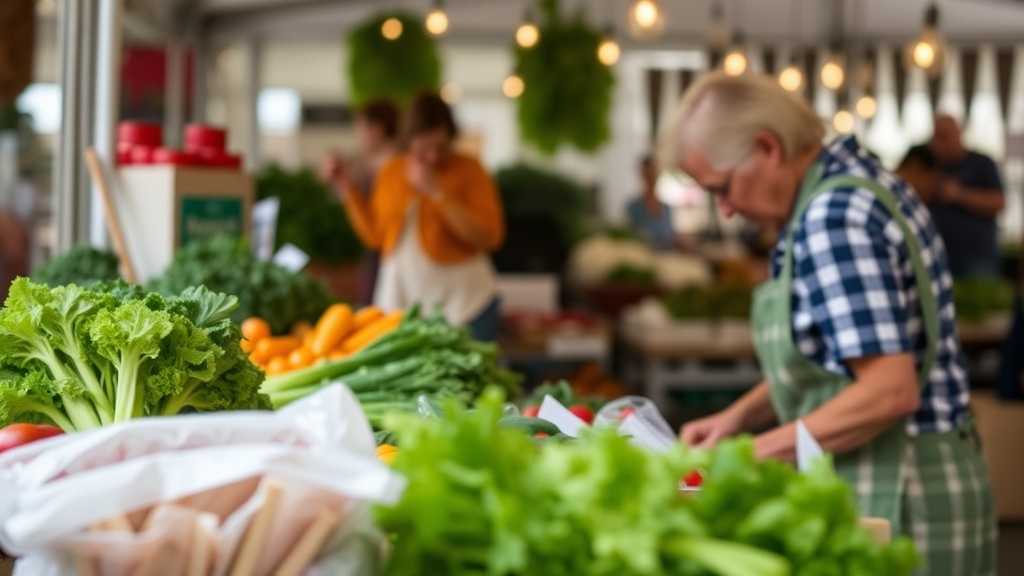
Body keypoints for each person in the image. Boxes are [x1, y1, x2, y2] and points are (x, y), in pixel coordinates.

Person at [667, 72, 995, 575]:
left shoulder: (833, 216)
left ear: (767, 147)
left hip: (908, 494)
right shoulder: (859, 185)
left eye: (724, 188)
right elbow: (836, 356)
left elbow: (889, 390)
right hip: (925, 479)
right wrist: (739, 416)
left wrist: (746, 457)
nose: (727, 210)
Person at [323, 92, 505, 341]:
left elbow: (490, 236)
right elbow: (375, 237)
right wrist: (346, 189)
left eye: (440, 147)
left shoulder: (469, 169)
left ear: (451, 138)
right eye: (423, 148)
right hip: (403, 304)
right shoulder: (391, 172)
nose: (432, 157)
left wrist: (438, 192)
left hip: (467, 305)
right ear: (409, 141)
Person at [922, 114, 1006, 278]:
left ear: (959, 133)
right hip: (938, 256)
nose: (941, 142)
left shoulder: (982, 163)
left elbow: (999, 202)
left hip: (977, 258)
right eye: (937, 137)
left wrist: (961, 195)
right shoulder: (932, 167)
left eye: (945, 136)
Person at [341, 99, 401, 306]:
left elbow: (374, 230)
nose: (359, 135)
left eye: (362, 127)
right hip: (382, 253)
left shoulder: (391, 168)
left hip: (386, 254)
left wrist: (346, 188)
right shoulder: (376, 164)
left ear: (377, 128)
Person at [625, 155, 676, 251]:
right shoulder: (633, 207)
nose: (651, 179)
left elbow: (671, 238)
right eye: (647, 175)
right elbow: (631, 241)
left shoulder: (666, 208)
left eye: (653, 174)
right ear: (642, 175)